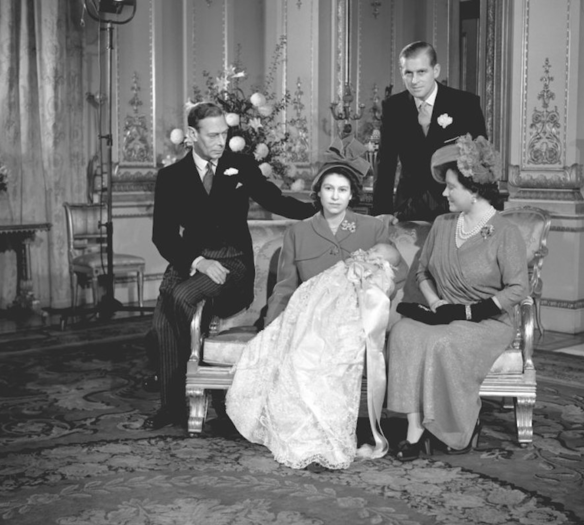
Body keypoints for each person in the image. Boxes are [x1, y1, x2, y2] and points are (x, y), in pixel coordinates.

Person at [144, 102, 315, 430]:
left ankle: (200, 384)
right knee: (162, 322)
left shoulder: (241, 165)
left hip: (233, 261)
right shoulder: (170, 177)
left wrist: (316, 210)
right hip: (193, 261)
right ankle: (172, 409)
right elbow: (162, 235)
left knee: (179, 299)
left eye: (225, 133)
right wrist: (197, 262)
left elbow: (274, 199)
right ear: (192, 135)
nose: (221, 141)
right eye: (213, 135)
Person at [386, 135, 529, 461]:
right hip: (442, 313)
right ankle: (414, 430)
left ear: (474, 189)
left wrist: (471, 311)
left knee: (443, 342)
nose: (444, 192)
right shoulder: (442, 224)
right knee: (405, 333)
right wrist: (436, 303)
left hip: (487, 322)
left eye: (451, 187)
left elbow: (519, 289)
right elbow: (422, 272)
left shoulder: (505, 233)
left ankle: (458, 425)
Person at [226, 240, 403, 472]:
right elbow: (315, 288)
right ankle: (300, 440)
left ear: (385, 262)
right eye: (372, 249)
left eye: (377, 253)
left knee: (325, 373)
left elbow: (375, 304)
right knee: (299, 359)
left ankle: (325, 442)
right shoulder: (341, 259)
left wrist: (366, 277)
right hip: (316, 319)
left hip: (345, 328)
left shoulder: (380, 275)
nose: (370, 253)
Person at [264, 139, 407, 325]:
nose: (334, 197)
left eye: (342, 190)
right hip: (309, 322)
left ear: (352, 194)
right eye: (328, 188)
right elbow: (284, 290)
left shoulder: (373, 228)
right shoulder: (297, 233)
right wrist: (271, 329)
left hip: (357, 322)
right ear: (319, 191)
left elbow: (398, 272)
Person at [371, 41, 487, 221]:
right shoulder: (394, 107)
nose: (414, 81)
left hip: (453, 206)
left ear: (436, 70)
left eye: (421, 72)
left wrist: (480, 209)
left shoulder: (466, 104)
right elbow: (385, 164)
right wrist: (381, 214)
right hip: (408, 208)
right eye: (408, 73)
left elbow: (481, 162)